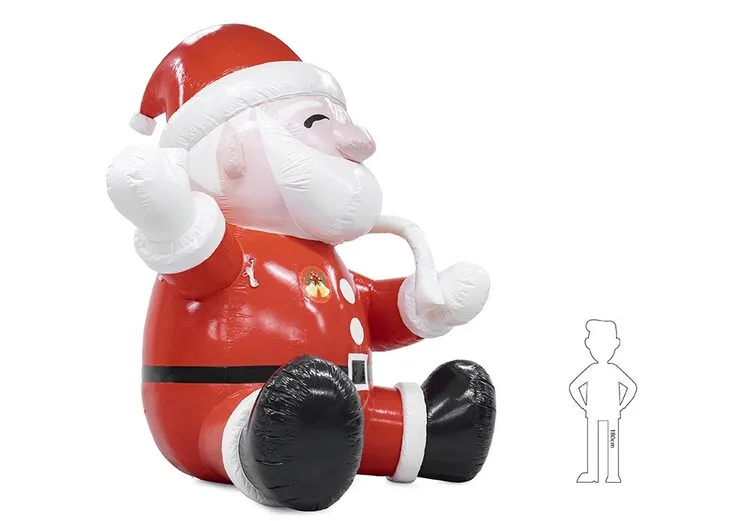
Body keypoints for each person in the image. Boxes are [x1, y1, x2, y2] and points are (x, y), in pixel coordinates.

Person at [106, 24, 495, 511]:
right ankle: (268, 448)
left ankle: (426, 433)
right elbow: (196, 267)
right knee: (302, 416)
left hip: (345, 407)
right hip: (232, 406)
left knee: (342, 416)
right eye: (315, 123)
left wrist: (421, 304)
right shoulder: (225, 244)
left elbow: (364, 308)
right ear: (231, 151)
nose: (357, 142)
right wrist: (170, 217)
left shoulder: (320, 255)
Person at [569, 320, 637, 483]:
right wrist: (585, 406)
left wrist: (620, 406)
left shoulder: (613, 370)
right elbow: (574, 387)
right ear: (589, 345)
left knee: (612, 442)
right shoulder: (592, 370)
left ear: (615, 344)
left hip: (610, 413)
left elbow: (631, 387)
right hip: (596, 413)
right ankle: (593, 473)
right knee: (594, 442)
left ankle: (612, 473)